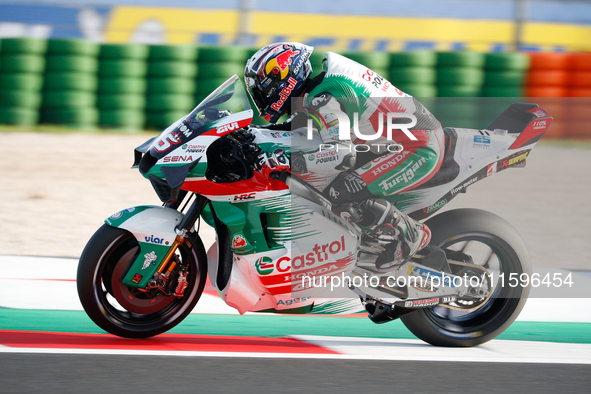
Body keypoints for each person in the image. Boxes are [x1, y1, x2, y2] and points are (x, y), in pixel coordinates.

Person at [244, 42, 447, 272]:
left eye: (261, 88)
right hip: (394, 143)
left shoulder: (325, 98)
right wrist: (247, 133)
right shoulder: (317, 94)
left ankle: (411, 233)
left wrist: (290, 161)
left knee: (340, 191)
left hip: (417, 147)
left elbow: (342, 156)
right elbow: (292, 128)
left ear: (282, 79)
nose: (259, 96)